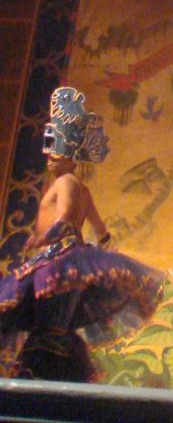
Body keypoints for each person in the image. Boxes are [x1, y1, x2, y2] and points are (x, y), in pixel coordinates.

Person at [0, 87, 162, 381]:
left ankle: (44, 370)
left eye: (55, 151)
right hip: (66, 257)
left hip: (58, 258)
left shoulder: (65, 183)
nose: (49, 156)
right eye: (49, 149)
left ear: (70, 156)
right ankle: (55, 367)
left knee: (49, 326)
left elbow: (64, 216)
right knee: (54, 326)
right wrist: (105, 248)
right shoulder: (81, 188)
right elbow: (101, 230)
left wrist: (44, 239)